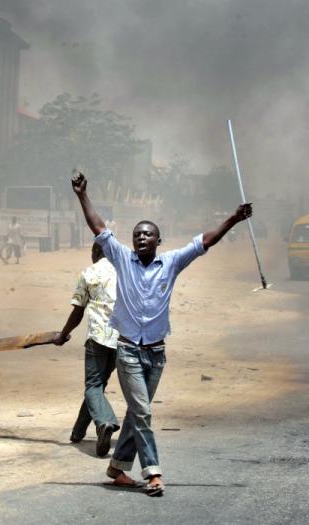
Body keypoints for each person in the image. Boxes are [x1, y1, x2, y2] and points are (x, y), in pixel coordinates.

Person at [71, 171, 252, 497]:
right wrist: (83, 195)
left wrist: (234, 219)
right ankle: (152, 472)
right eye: (137, 234)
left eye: (147, 234)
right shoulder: (121, 258)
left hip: (156, 354)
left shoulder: (171, 262)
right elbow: (99, 228)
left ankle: (117, 468)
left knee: (136, 413)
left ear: (158, 240)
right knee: (143, 412)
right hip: (127, 350)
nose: (140, 238)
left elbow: (205, 241)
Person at [52, 243, 120, 457]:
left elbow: (77, 312)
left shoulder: (89, 273)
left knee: (93, 386)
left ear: (96, 252)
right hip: (124, 338)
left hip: (98, 338)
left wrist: (62, 335)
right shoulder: (126, 270)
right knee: (97, 386)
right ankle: (78, 431)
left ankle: (105, 422)